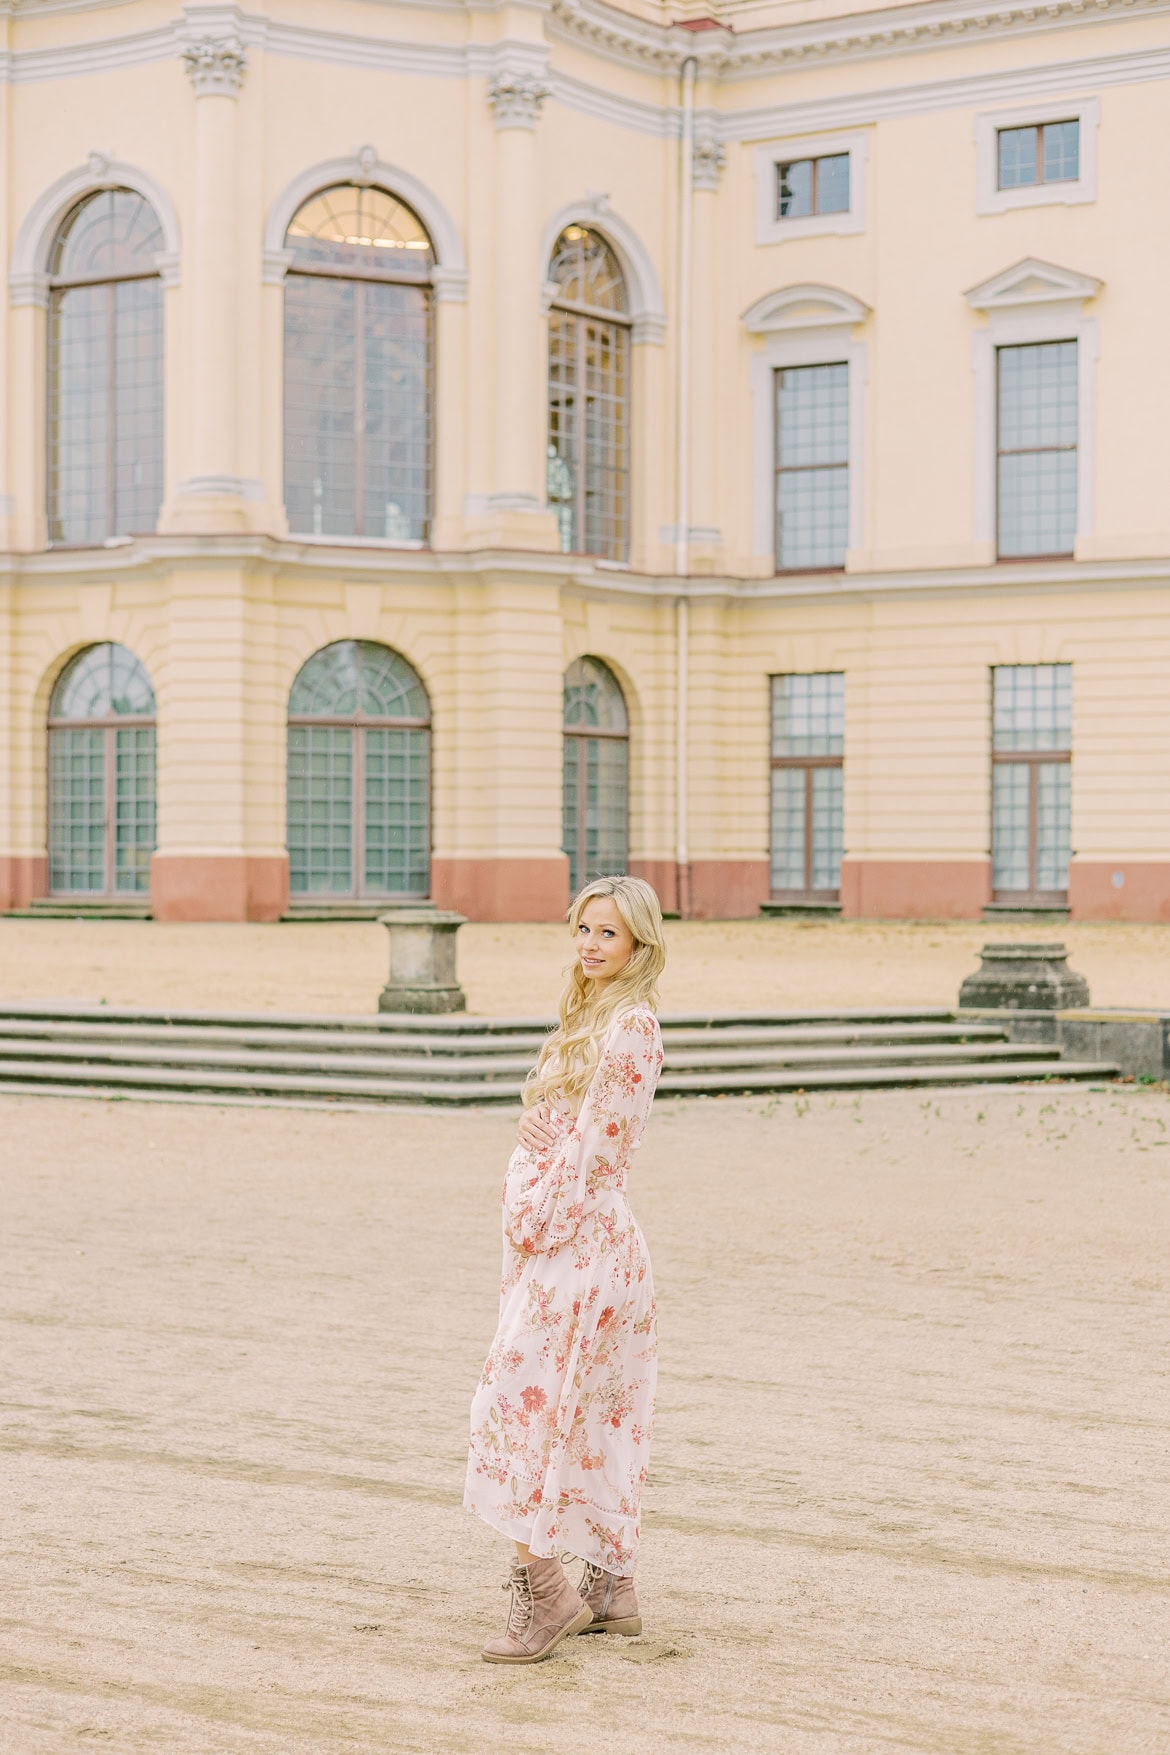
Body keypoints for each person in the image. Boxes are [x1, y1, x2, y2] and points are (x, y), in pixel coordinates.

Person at [464, 874, 667, 1664]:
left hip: (586, 1247)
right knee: (589, 1419)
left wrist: (532, 1199)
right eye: (583, 928)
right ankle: (613, 1586)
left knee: (515, 1406)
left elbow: (593, 1157)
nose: (590, 944)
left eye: (607, 933)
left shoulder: (633, 1029)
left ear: (640, 943)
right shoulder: (592, 1014)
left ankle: (547, 1593)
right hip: (577, 1242)